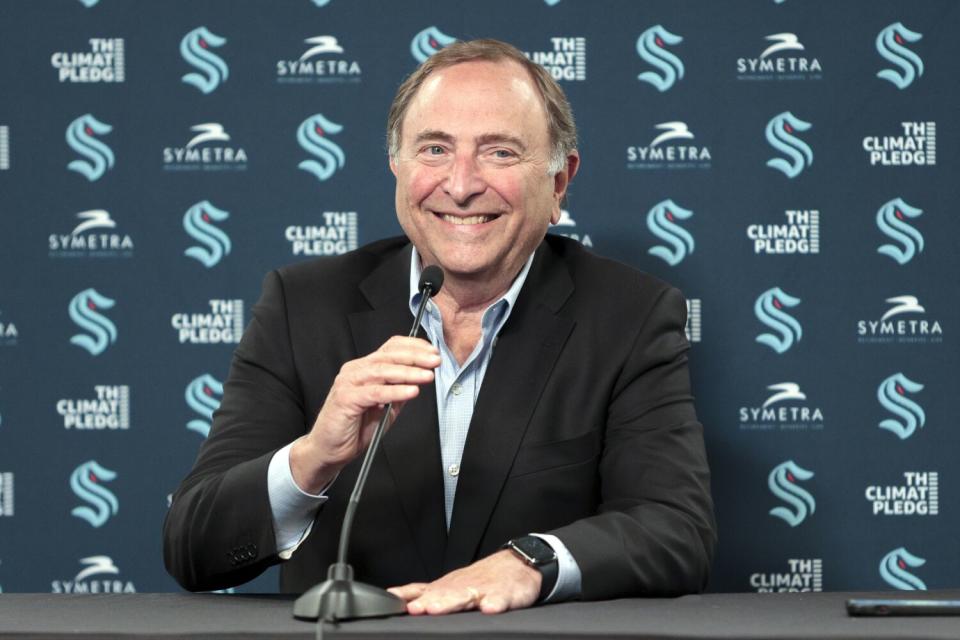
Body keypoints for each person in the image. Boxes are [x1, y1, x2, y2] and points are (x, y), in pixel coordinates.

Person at [163, 38, 715, 616]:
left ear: (557, 183)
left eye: (500, 152)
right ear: (397, 169)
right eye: (434, 149)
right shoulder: (302, 308)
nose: (460, 184)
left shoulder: (630, 315)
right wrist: (313, 458)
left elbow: (677, 530)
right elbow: (192, 547)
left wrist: (530, 562)